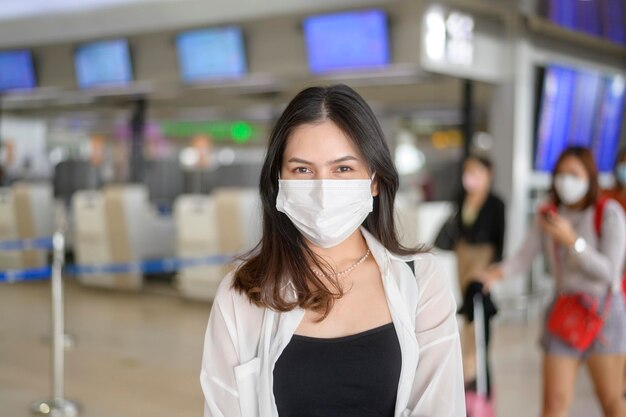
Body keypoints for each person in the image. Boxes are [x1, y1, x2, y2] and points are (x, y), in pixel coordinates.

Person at [200, 85, 465, 417]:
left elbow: (440, 406)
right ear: (278, 181)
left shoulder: (421, 280)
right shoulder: (242, 295)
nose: (323, 189)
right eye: (302, 170)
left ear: (374, 180)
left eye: (342, 169)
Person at [481, 147, 626, 417]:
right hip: (566, 311)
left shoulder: (609, 212)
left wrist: (572, 242)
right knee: (554, 404)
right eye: (560, 174)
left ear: (590, 177)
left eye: (573, 174)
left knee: (611, 401)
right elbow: (523, 258)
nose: (565, 180)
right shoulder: (548, 214)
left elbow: (609, 272)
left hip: (604, 315)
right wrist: (494, 274)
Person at [451, 155, 505, 391]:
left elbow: (500, 239)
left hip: (482, 260)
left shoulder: (495, 203)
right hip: (463, 257)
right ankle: (469, 368)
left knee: (477, 311)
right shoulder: (462, 198)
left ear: (488, 174)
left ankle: (477, 368)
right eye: (467, 171)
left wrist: (494, 270)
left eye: (475, 171)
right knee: (466, 312)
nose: (470, 176)